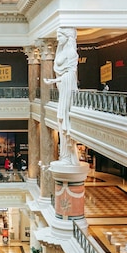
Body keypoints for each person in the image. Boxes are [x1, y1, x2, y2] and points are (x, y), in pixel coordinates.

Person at [43, 27, 79, 162]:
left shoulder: (70, 52)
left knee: (63, 118)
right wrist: (54, 80)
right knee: (60, 119)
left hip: (67, 88)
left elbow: (70, 75)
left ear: (67, 36)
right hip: (62, 87)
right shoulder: (62, 50)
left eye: (60, 36)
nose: (58, 39)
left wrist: (54, 80)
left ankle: (67, 155)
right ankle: (65, 154)